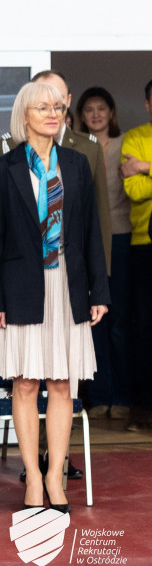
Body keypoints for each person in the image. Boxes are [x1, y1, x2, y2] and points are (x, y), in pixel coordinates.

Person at [0, 81, 109, 512]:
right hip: (21, 287)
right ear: (24, 115)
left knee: (61, 382)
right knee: (25, 383)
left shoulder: (75, 164)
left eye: (58, 107)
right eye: (43, 108)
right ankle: (32, 479)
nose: (53, 114)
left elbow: (92, 233)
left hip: (68, 285)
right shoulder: (3, 168)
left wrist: (100, 289)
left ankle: (56, 477)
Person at [0, 70, 112, 272]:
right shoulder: (8, 145)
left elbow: (99, 219)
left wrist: (100, 276)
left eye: (57, 100)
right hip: (21, 269)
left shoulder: (89, 149)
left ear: (68, 100)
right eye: (43, 100)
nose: (52, 110)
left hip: (75, 268)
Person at [77, 87, 131, 420]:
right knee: (94, 322)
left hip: (123, 238)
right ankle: (98, 396)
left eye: (102, 109)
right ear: (81, 115)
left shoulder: (127, 144)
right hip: (89, 243)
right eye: (89, 110)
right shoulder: (78, 148)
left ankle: (123, 398)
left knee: (121, 323)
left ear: (111, 112)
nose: (96, 115)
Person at [121, 79, 152, 431]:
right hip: (144, 242)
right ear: (146, 103)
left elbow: (143, 179)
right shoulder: (134, 138)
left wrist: (147, 167)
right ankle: (145, 406)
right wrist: (139, 172)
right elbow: (135, 190)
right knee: (145, 328)